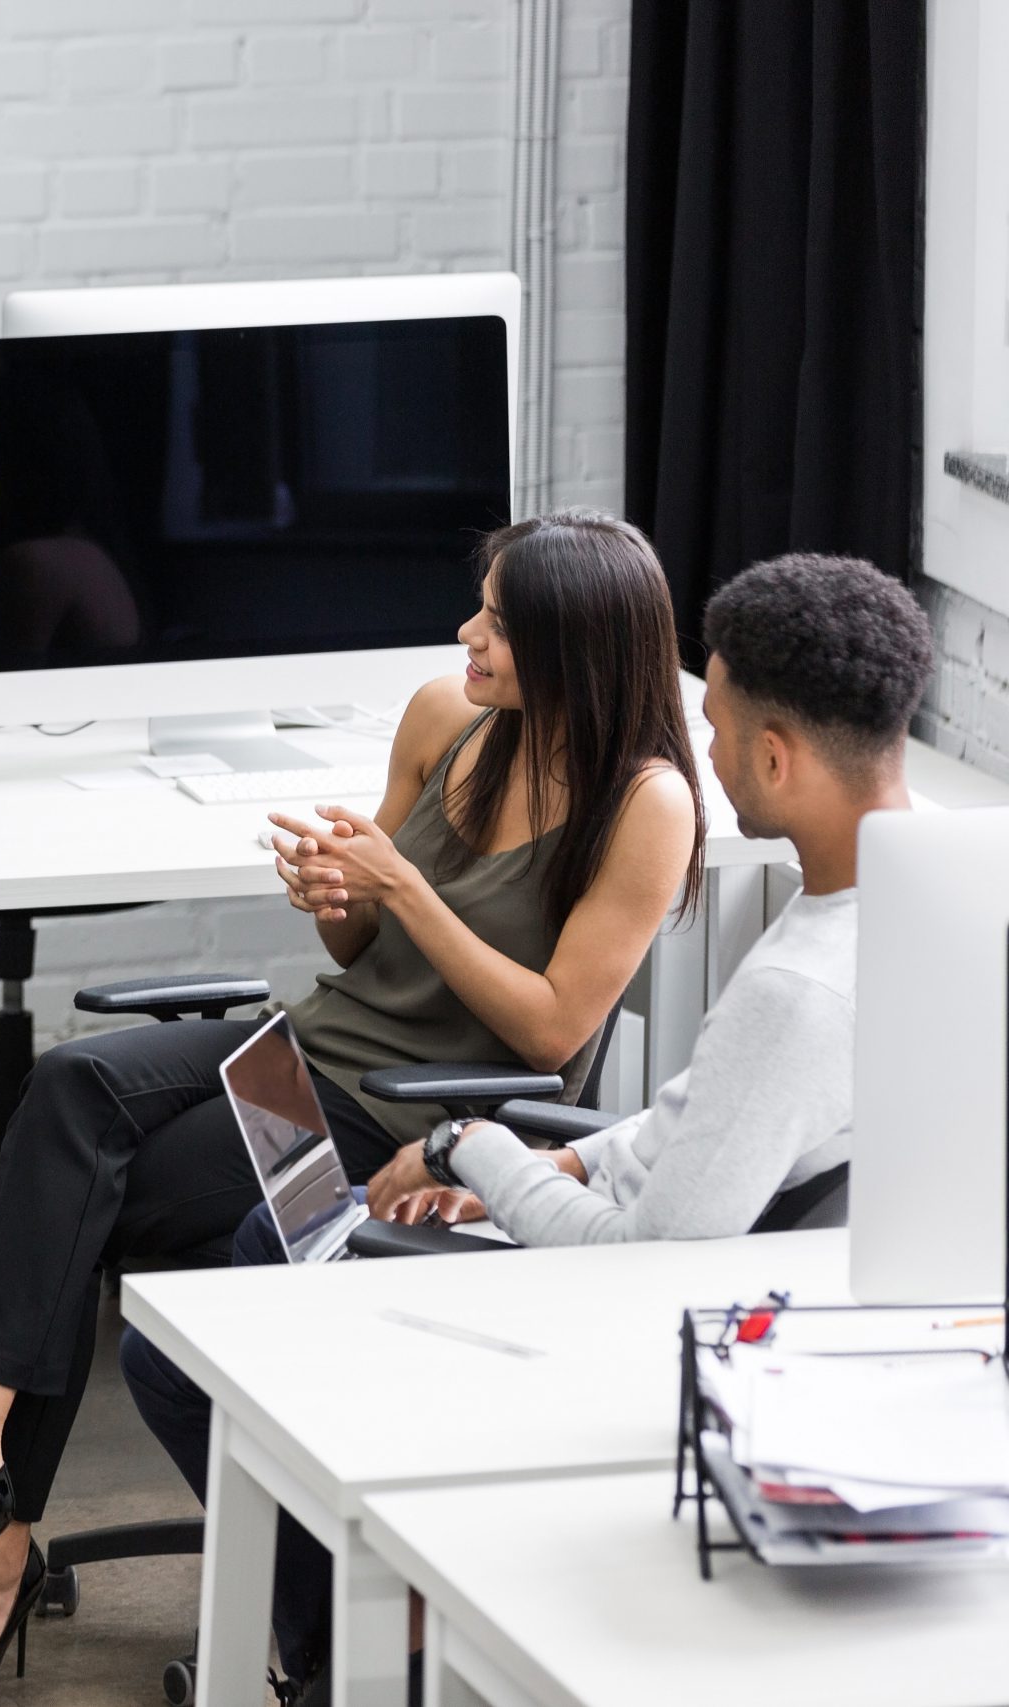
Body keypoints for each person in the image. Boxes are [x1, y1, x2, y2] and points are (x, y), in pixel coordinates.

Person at [0, 509, 706, 1702]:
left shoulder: (645, 803)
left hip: (410, 1117)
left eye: (497, 623)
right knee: (69, 1087)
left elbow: (551, 1030)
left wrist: (401, 884)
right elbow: (361, 950)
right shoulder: (444, 719)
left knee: (77, 1207)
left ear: (572, 643)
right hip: (311, 1049)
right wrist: (338, 897)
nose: (466, 634)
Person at [118, 551, 933, 1702]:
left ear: (773, 756)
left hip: (619, 1301)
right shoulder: (929, 885)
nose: (701, 753)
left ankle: (364, 1663)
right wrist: (564, 1157)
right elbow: (705, 1121)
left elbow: (642, 1261)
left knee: (180, 1340)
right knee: (263, 1234)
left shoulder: (797, 993)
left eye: (716, 725)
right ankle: (366, 1639)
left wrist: (469, 1150)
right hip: (679, 1241)